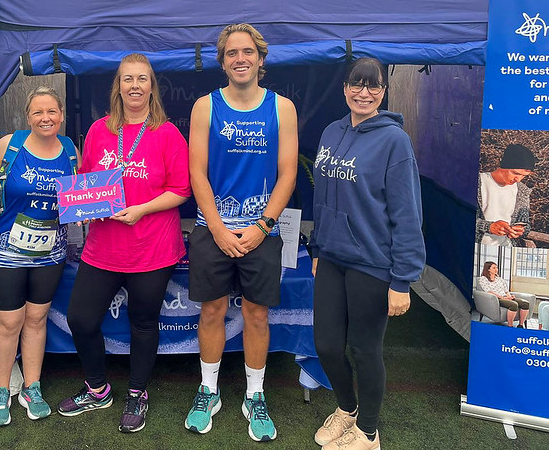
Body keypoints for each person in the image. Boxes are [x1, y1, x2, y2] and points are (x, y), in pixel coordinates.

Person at [57, 53, 190, 434]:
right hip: (104, 246)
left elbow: (181, 189)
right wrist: (89, 206)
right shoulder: (100, 130)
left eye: (142, 79)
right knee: (81, 318)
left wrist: (142, 209)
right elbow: (86, 182)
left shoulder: (166, 133)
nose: (134, 85)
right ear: (117, 86)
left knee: (143, 322)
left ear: (152, 86)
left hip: (153, 246)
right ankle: (98, 389)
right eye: (127, 78)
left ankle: (137, 392)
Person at [185, 23, 298, 443]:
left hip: (261, 232)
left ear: (261, 59)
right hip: (212, 229)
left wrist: (263, 226)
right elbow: (197, 172)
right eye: (231, 53)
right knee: (212, 311)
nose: (240, 59)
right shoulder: (205, 106)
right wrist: (217, 227)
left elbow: (288, 174)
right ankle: (208, 391)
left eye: (247, 52)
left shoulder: (282, 108)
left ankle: (255, 395)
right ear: (223, 61)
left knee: (256, 314)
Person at [309, 57, 426, 450]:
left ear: (383, 91)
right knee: (325, 344)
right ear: (345, 87)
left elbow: (407, 214)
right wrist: (317, 246)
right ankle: (347, 409)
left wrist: (402, 280)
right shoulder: (330, 132)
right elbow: (321, 196)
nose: (364, 92)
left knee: (363, 349)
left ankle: (369, 434)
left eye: (373, 86)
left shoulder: (395, 141)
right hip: (331, 258)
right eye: (357, 84)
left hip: (373, 263)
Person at [0, 86, 79, 426]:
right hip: (6, 252)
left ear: (62, 115)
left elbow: (76, 199)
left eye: (51, 112)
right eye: (38, 112)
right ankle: (0, 390)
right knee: (8, 322)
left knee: (37, 320)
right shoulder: (9, 145)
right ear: (28, 116)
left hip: (50, 253)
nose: (45, 118)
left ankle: (31, 386)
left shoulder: (70, 150)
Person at [476, 144, 535, 247]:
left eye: (523, 176)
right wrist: (488, 227)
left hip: (506, 248)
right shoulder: (476, 182)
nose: (518, 179)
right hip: (475, 247)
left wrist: (520, 230)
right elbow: (460, 217)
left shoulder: (522, 190)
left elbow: (525, 224)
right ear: (504, 166)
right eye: (515, 173)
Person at [478, 261, 530, 327]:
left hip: (505, 297)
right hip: (496, 298)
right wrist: (503, 298)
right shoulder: (483, 279)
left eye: (496, 267)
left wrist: (510, 296)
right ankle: (510, 326)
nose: (496, 269)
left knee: (525, 303)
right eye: (494, 268)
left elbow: (506, 291)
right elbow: (489, 292)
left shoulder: (500, 279)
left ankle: (520, 325)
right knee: (513, 305)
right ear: (488, 269)